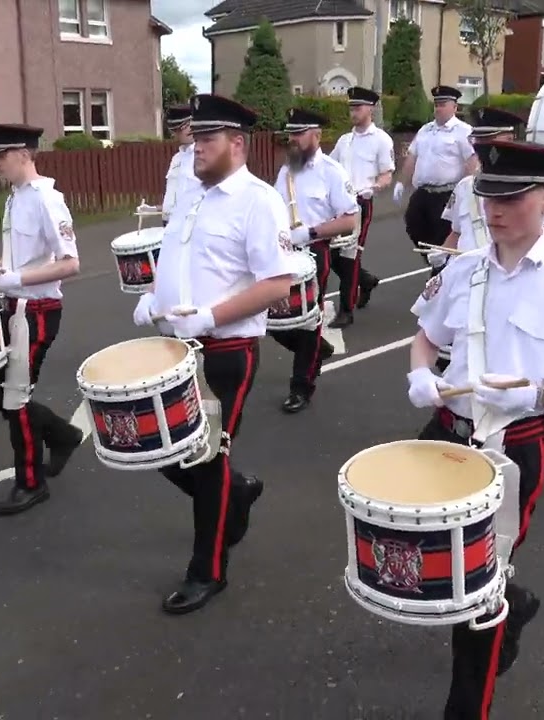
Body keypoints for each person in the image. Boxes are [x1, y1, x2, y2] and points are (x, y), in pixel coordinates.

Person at [406, 139, 544, 720]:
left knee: (478, 587)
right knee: (430, 564)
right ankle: (515, 601)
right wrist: (421, 372)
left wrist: (540, 394)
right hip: (445, 434)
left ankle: (466, 707)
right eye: (487, 197)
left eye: (512, 198)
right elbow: (427, 336)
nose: (494, 211)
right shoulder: (462, 269)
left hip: (514, 449)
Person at [131, 93, 292, 615]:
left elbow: (277, 284)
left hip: (228, 349)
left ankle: (208, 571)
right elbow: (180, 261)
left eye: (207, 138)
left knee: (204, 457)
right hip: (177, 347)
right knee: (158, 448)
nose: (195, 146)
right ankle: (236, 492)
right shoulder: (192, 196)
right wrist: (153, 300)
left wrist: (209, 317)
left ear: (237, 143)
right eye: (195, 137)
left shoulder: (259, 200)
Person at [0, 123, 85, 516]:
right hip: (12, 306)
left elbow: (70, 263)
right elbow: (18, 257)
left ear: (23, 153)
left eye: (1, 156)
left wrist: (17, 278)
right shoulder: (15, 198)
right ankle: (62, 434)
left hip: (37, 311)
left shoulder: (45, 200)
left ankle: (30, 483)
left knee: (14, 397)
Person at [425, 107, 544, 373]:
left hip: (506, 279)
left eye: (490, 141)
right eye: (479, 142)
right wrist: (444, 257)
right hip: (467, 278)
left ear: (509, 140)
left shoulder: (527, 189)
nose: (483, 148)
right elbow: (457, 232)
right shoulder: (464, 187)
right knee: (453, 360)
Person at [270, 107, 360, 413]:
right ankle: (318, 349)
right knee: (272, 318)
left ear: (317, 135)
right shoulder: (286, 172)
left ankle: (301, 386)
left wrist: (309, 231)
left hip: (313, 253)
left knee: (308, 320)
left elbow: (349, 220)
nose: (293, 140)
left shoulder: (332, 172)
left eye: (299, 133)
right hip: (280, 254)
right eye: (290, 134)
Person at [328, 86, 395, 325]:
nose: (353, 112)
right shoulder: (344, 141)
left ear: (371, 109)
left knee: (349, 256)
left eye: (358, 107)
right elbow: (329, 167)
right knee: (333, 255)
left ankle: (346, 310)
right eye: (351, 108)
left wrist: (376, 186)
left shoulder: (381, 140)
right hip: (337, 205)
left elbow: (387, 174)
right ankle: (365, 281)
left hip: (360, 204)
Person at [394, 85, 477, 271]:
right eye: (436, 104)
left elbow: (472, 162)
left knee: (443, 234)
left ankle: (442, 272)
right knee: (413, 225)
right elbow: (412, 157)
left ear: (454, 107)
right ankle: (437, 262)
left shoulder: (463, 131)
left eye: (443, 104)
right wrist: (400, 182)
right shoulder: (425, 130)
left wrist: (466, 191)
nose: (438, 108)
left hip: (446, 194)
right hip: (423, 192)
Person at [160, 104, 196, 226]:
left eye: (189, 124)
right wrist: (155, 209)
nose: (188, 129)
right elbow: (174, 195)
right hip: (169, 222)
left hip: (187, 224)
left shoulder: (202, 157)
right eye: (179, 128)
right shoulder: (176, 158)